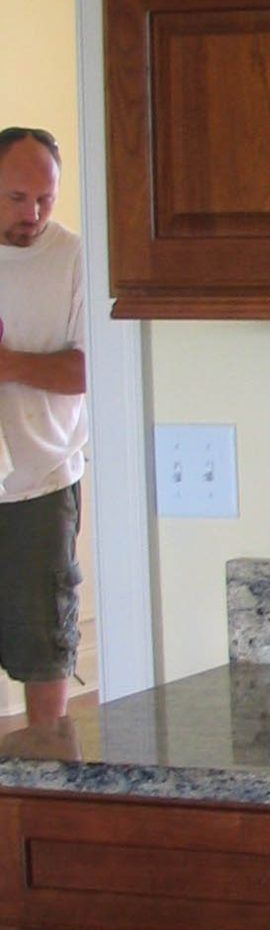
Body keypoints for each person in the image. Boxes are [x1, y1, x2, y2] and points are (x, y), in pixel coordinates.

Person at [0, 127, 87, 726]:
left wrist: (10, 365)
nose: (33, 213)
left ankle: (48, 787)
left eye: (45, 198)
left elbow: (90, 368)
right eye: (16, 198)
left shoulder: (76, 257)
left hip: (39, 483)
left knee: (44, 653)